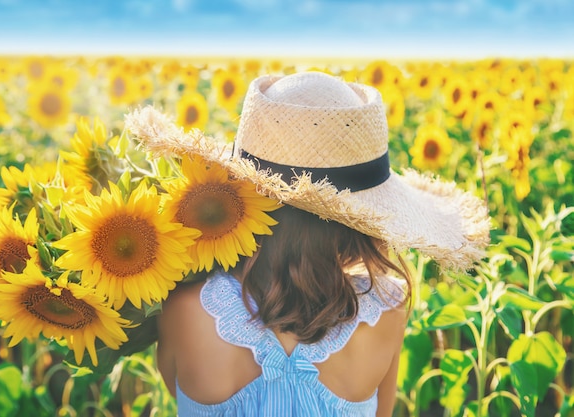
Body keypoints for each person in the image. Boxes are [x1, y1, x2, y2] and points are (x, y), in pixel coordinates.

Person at [129, 71, 491, 416]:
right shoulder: (388, 310)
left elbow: (175, 386)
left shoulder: (185, 308)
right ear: (361, 219)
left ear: (241, 189)